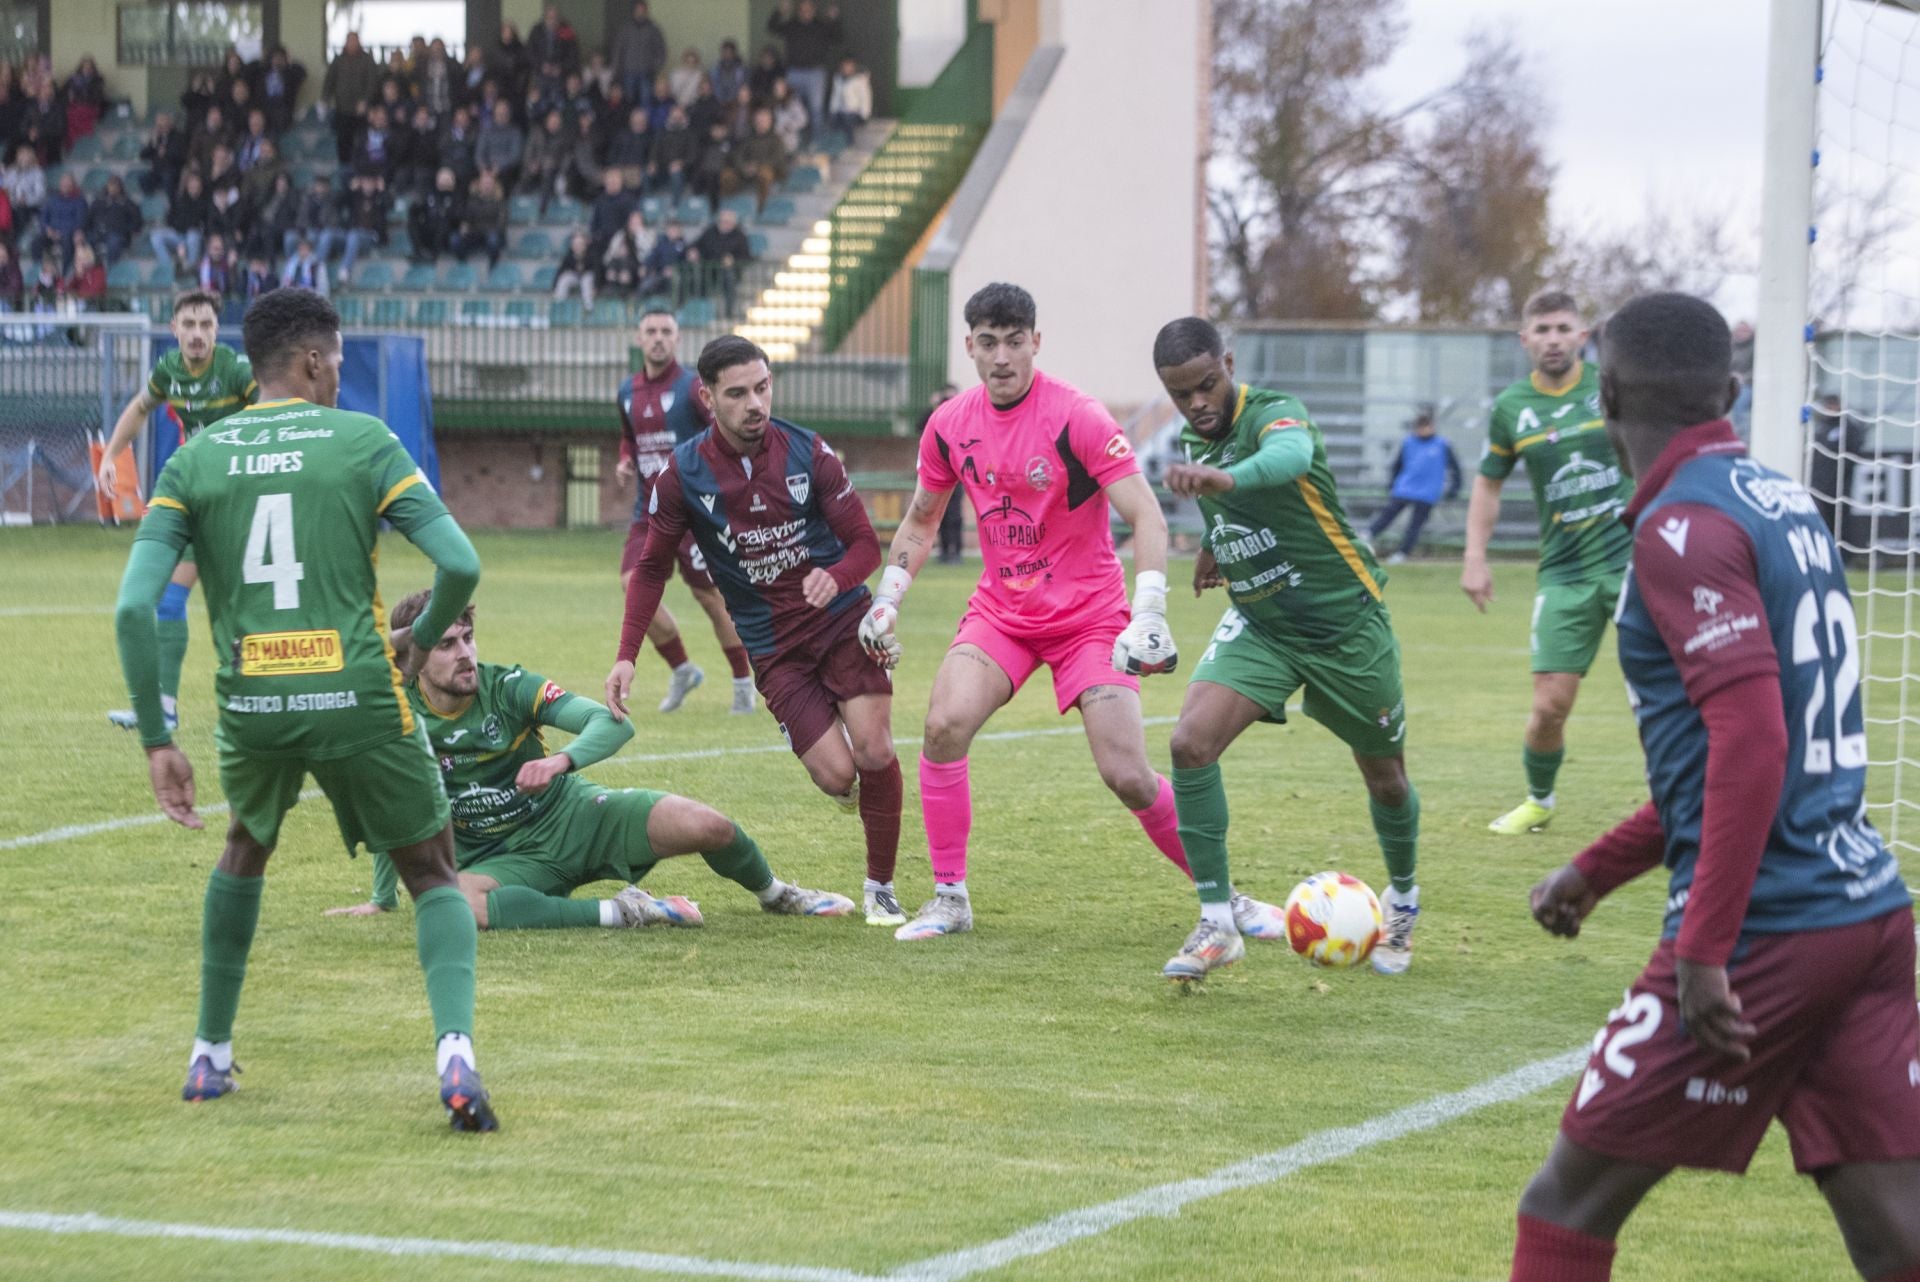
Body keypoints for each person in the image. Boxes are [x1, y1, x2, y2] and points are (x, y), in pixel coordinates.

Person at [1511, 291, 1920, 1282]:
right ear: (1729, 392)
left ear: (1602, 393)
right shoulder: (1783, 503)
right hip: (1866, 914)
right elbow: (1744, 756)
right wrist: (1598, 868)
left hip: (1767, 932)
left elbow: (1751, 743)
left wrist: (1703, 950)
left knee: (1563, 1207)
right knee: (1896, 1233)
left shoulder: (1680, 528)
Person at [112, 287, 497, 1131]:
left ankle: (209, 1054)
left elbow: (135, 610)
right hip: (357, 690)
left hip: (253, 700)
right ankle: (456, 1056)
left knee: (245, 846)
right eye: (340, 363)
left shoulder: (198, 457)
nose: (340, 377)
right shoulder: (361, 439)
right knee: (433, 868)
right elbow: (459, 564)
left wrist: (155, 738)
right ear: (315, 360)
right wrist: (417, 639)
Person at [859, 283, 1194, 943]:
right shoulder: (951, 424)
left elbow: (1146, 515)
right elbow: (922, 521)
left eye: (1015, 342)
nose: (1003, 357)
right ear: (970, 349)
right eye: (989, 343)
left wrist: (1149, 610)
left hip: (1090, 618)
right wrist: (885, 598)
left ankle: (1223, 897)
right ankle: (950, 899)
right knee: (943, 725)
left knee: (1127, 773)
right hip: (1004, 613)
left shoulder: (1080, 418)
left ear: (1036, 342)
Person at [606, 335, 907, 927]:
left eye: (762, 388)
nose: (755, 404)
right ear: (708, 396)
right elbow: (649, 569)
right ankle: (863, 797)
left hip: (842, 620)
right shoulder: (682, 476)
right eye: (738, 393)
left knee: (874, 750)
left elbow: (866, 544)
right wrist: (627, 655)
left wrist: (837, 575)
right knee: (838, 777)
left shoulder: (809, 452)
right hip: (772, 647)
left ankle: (881, 887)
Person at [327, 590, 852, 927]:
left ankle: (778, 895)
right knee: (455, 903)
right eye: (445, 645)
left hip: (574, 817)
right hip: (501, 861)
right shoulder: (399, 716)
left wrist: (562, 763)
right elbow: (392, 806)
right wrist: (382, 897)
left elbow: (611, 722)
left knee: (709, 825)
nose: (465, 653)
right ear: (410, 659)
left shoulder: (508, 686)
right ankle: (624, 913)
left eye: (467, 637)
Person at [1151, 317, 1417, 980]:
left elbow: (1287, 462)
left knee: (1385, 778)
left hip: (1346, 627)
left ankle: (1403, 901)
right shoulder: (1196, 438)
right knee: (1189, 743)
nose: (1197, 404)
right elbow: (1227, 499)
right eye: (1181, 395)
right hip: (1265, 625)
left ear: (1230, 363)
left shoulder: (1276, 414)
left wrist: (1226, 483)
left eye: (1207, 385)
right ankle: (1217, 922)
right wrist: (1215, 543)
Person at [1462, 288, 1632, 836]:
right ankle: (1539, 800)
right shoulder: (1513, 406)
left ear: (1583, 336)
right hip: (1565, 575)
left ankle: (1687, 801)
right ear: (1525, 340)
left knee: (1663, 695)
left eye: (1563, 328)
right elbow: (1489, 483)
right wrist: (1474, 557)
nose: (1553, 339)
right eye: (1542, 330)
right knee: (1548, 706)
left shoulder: (1612, 388)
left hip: (1635, 564)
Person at [100, 291, 259, 732]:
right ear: (174, 329)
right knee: (169, 600)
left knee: (243, 608)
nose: (196, 334)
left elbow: (270, 405)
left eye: (205, 325)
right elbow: (140, 406)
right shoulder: (169, 370)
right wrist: (111, 455)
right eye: (188, 324)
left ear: (216, 329)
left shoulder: (234, 368)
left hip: (237, 504)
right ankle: (164, 709)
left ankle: (259, 707)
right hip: (197, 498)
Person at [614, 309, 758, 714]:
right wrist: (626, 459)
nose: (658, 338)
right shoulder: (627, 390)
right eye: (651, 331)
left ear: (677, 339)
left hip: (696, 514)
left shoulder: (692, 388)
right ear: (639, 338)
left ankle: (743, 681)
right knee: (632, 585)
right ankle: (682, 669)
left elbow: (722, 431)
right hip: (649, 512)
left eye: (666, 332)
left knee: (710, 597)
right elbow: (631, 438)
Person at [1367, 406, 1461, 563]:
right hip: (1405, 488)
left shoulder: (1442, 444)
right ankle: (1367, 536)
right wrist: (1392, 483)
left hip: (1427, 492)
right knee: (1388, 515)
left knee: (1414, 525)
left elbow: (1455, 469)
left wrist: (1454, 488)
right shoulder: (1409, 442)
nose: (1423, 429)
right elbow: (1397, 465)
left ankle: (1402, 554)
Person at [767, 1, 841, 139]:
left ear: (814, 10)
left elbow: (837, 38)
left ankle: (817, 142)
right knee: (791, 107)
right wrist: (779, 12)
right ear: (798, 11)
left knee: (816, 110)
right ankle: (795, 142)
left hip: (816, 73)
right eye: (802, 9)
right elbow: (772, 28)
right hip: (794, 72)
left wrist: (834, 19)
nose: (805, 12)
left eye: (808, 9)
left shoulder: (821, 25)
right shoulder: (791, 25)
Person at [917, 383, 964, 562]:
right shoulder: (936, 414)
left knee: (955, 515)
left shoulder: (961, 413)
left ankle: (956, 551)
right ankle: (944, 551)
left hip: (957, 473)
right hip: (939, 472)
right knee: (939, 514)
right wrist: (933, 407)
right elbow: (920, 426)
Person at [321, 32, 379, 166]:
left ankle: (362, 166)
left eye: (355, 40)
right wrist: (325, 99)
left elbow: (372, 83)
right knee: (343, 141)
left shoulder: (367, 60)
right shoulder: (338, 60)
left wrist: (365, 100)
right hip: (342, 109)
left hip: (361, 111)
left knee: (362, 141)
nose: (352, 43)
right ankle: (344, 168)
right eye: (349, 41)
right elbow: (329, 81)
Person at [688, 207, 753, 317]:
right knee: (697, 280)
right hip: (708, 269)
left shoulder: (740, 236)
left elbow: (747, 257)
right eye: (722, 221)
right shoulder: (710, 232)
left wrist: (733, 259)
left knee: (729, 279)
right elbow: (696, 244)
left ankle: (728, 312)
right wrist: (693, 251)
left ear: (733, 223)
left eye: (728, 222)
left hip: (729, 272)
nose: (724, 224)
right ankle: (700, 312)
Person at [610, 1, 667, 108]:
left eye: (643, 10)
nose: (640, 12)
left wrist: (654, 68)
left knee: (646, 102)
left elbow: (661, 51)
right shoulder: (625, 29)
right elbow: (618, 51)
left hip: (646, 73)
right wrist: (617, 71)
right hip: (628, 72)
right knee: (628, 101)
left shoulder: (654, 29)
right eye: (638, 10)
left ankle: (643, 124)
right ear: (634, 11)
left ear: (647, 11)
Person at [826, 58, 871, 137]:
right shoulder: (838, 79)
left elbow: (865, 99)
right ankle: (837, 142)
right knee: (833, 123)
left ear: (854, 68)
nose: (846, 69)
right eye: (844, 67)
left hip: (855, 112)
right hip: (841, 110)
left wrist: (864, 115)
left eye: (849, 67)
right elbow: (835, 96)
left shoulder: (860, 80)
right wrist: (832, 111)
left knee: (848, 120)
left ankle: (850, 142)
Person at [553, 230, 596, 308]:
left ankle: (588, 308)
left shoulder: (592, 255)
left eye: (580, 244)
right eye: (576, 244)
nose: (578, 246)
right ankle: (559, 306)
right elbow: (561, 272)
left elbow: (597, 272)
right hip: (575, 277)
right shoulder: (568, 256)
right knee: (565, 278)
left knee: (586, 280)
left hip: (588, 278)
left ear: (585, 244)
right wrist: (554, 286)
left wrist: (596, 287)